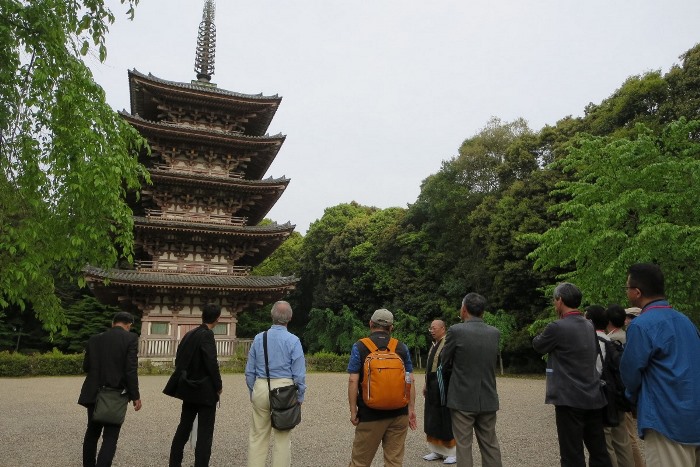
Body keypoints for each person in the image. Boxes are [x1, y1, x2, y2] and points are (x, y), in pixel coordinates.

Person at [620, 263, 700, 467]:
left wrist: (631, 397)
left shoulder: (641, 325)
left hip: (665, 417)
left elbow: (630, 373)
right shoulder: (686, 321)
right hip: (693, 413)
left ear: (637, 292)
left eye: (627, 287)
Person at [532, 283, 611, 467]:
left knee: (572, 453)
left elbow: (538, 345)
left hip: (569, 397)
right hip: (593, 395)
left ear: (559, 300)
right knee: (598, 450)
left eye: (554, 300)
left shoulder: (557, 327)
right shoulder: (588, 325)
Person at [347, 308, 417, 466]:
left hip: (370, 414)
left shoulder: (360, 346)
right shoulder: (401, 347)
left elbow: (353, 380)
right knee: (394, 462)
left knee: (360, 462)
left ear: (370, 323)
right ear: (391, 327)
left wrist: (353, 411)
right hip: (399, 414)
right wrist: (411, 409)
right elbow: (410, 379)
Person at [441, 293, 503, 467]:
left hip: (462, 397)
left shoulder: (456, 331)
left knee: (464, 445)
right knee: (490, 444)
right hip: (488, 396)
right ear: (482, 312)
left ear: (464, 309)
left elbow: (444, 360)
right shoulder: (494, 333)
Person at [245, 301, 306, 467]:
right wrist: (300, 396)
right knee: (282, 437)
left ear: (272, 316)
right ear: (290, 318)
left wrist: (254, 392)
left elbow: (249, 371)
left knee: (258, 435)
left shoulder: (259, 338)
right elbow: (299, 375)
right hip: (285, 389)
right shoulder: (293, 341)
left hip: (261, 386)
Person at [78, 311, 142, 467]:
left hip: (94, 391)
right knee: (110, 436)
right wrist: (135, 396)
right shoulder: (131, 338)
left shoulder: (94, 339)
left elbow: (86, 366)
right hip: (114, 394)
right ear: (129, 325)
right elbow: (130, 370)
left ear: (113, 323)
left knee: (92, 433)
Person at [167, 303, 224, 467]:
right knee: (205, 432)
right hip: (204, 390)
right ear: (217, 318)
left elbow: (179, 359)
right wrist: (218, 385)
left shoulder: (189, 334)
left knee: (184, 427)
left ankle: (174, 462)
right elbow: (211, 362)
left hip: (189, 387)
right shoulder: (207, 335)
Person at [602, 305, 634, 467]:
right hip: (624, 392)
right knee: (623, 440)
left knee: (609, 440)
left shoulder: (612, 340)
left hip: (612, 393)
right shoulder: (627, 336)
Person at [422, 319, 456, 464]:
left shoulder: (448, 344)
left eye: (434, 328)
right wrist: (425, 384)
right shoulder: (434, 345)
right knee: (432, 417)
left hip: (444, 385)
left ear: (443, 328)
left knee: (445, 417)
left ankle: (452, 452)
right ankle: (436, 450)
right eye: (431, 328)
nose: (432, 330)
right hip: (432, 384)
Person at [621, 307, 645, 467]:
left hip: (632, 393)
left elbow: (633, 367)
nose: (626, 319)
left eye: (629, 316)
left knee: (629, 436)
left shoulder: (631, 335)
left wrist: (630, 394)